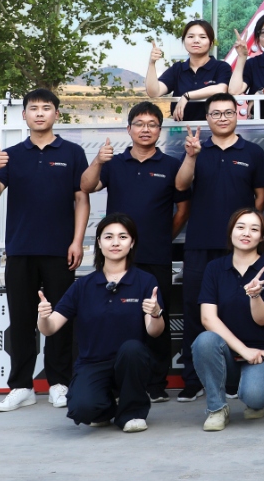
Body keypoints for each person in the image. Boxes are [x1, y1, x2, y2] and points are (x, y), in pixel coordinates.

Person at [0, 87, 88, 413]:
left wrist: (77, 241)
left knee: (60, 318)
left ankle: (59, 383)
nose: (40, 113)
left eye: (46, 108)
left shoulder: (73, 152)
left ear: (57, 113)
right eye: (34, 108)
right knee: (22, 319)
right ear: (24, 115)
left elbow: (82, 199)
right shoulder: (11, 154)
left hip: (60, 251)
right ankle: (21, 386)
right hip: (20, 249)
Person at [80, 101, 188, 402]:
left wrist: (163, 237)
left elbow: (183, 209)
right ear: (129, 129)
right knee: (115, 317)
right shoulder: (113, 163)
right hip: (116, 259)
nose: (145, 129)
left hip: (156, 256)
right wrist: (98, 161)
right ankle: (115, 381)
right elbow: (86, 186)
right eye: (139, 124)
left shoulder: (171, 166)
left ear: (159, 130)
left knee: (156, 316)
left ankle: (155, 384)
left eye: (152, 124)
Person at [173, 91, 264, 402]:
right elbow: (180, 185)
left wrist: (247, 231)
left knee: (238, 308)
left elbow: (262, 197)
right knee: (195, 310)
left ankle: (232, 377)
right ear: (207, 118)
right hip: (200, 244)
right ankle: (193, 379)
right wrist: (191, 156)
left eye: (228, 112)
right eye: (215, 113)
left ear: (237, 114)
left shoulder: (253, 152)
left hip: (240, 249)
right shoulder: (196, 150)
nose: (222, 118)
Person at [36, 214, 164, 432]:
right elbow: (50, 328)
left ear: (132, 242)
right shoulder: (83, 285)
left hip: (130, 362)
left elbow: (154, 331)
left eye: (123, 237)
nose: (115, 243)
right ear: (99, 242)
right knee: (82, 409)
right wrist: (43, 317)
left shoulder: (145, 281)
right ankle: (107, 407)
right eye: (108, 237)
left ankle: (132, 412)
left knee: (132, 349)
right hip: (93, 364)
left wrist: (155, 313)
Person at [192, 208, 264, 430]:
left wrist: (255, 296)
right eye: (240, 227)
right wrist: (243, 350)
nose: (246, 233)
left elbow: (263, 320)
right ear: (231, 232)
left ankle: (251, 393)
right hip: (227, 353)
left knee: (255, 398)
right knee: (205, 340)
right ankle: (217, 409)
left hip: (262, 352)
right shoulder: (214, 268)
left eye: (254, 229)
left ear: (261, 237)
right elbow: (208, 318)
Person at [147, 20, 232, 122]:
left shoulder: (221, 67)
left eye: (202, 37)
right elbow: (154, 92)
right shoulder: (177, 69)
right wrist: (152, 63)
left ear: (211, 43)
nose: (196, 41)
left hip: (214, 128)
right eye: (191, 36)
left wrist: (187, 96)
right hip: (182, 129)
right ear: (184, 41)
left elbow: (221, 89)